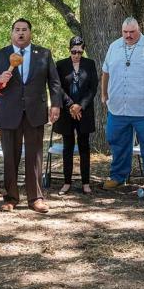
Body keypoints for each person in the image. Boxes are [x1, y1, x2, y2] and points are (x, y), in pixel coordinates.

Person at [0, 18, 61, 213]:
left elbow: (54, 82)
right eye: (17, 30)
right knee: (10, 156)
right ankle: (11, 197)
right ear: (12, 33)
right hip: (9, 112)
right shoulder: (0, 55)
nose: (20, 33)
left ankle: (36, 198)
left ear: (30, 33)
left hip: (35, 112)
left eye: (24, 30)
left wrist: (56, 105)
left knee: (34, 157)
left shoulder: (43, 54)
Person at [101, 17, 144, 195]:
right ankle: (117, 177)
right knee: (118, 144)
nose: (128, 36)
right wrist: (104, 93)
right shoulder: (114, 46)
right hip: (117, 107)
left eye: (132, 32)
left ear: (139, 30)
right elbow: (105, 71)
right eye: (125, 32)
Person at [54, 36, 98, 195]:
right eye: (74, 51)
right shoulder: (61, 65)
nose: (77, 55)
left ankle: (86, 183)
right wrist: (71, 105)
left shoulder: (90, 64)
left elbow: (93, 88)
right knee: (68, 147)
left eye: (79, 52)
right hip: (67, 112)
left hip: (84, 112)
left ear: (83, 50)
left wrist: (81, 106)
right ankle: (66, 182)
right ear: (69, 49)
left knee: (84, 147)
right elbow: (57, 87)